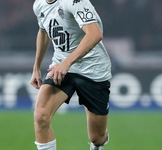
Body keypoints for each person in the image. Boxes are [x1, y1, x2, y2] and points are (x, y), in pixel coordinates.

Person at [30, 0, 112, 149]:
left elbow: (95, 34)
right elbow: (43, 31)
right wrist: (36, 67)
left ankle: (99, 142)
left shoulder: (74, 1)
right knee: (41, 116)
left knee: (97, 138)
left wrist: (67, 63)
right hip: (61, 67)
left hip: (93, 69)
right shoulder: (39, 4)